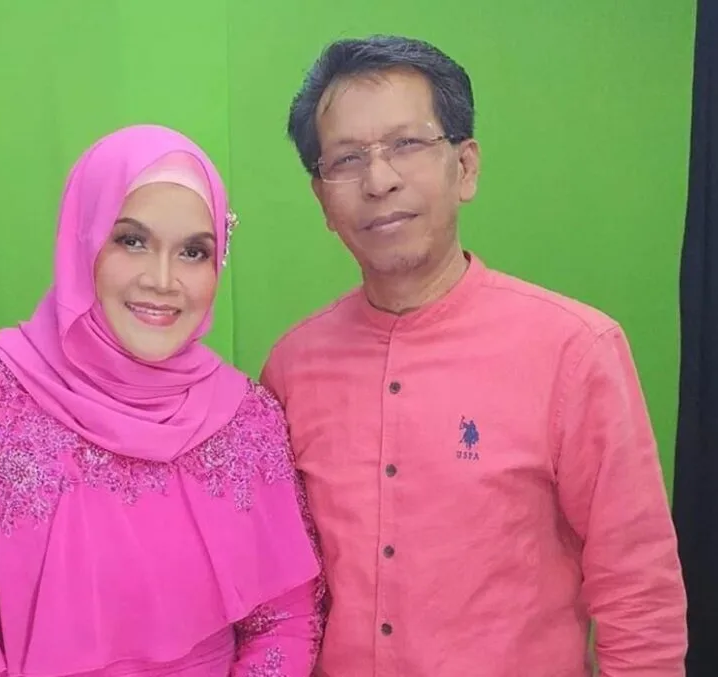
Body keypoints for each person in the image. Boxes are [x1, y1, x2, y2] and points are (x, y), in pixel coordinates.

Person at [260, 35, 687, 676]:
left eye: (407, 144)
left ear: (465, 167)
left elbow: (638, 590)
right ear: (322, 198)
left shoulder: (575, 350)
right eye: (346, 159)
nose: (379, 180)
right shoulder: (293, 367)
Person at [0, 124, 325, 677]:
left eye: (193, 252)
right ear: (83, 240)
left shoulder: (246, 417)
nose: (162, 280)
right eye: (132, 240)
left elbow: (286, 622)